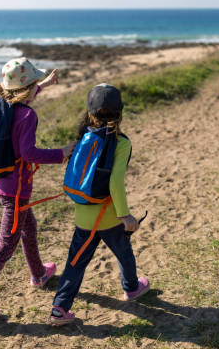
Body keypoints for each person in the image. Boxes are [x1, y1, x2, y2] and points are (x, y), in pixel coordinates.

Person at [0, 57, 76, 322]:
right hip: (16, 190)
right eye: (36, 84)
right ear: (30, 89)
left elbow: (23, 98)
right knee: (6, 243)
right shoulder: (27, 115)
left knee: (28, 227)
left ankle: (38, 273)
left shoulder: (3, 103)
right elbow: (28, 152)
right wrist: (62, 153)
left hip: (0, 183)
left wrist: (42, 84)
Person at [50, 83, 149, 325]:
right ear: (120, 112)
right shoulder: (121, 143)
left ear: (89, 112)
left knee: (75, 263)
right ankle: (132, 288)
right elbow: (115, 183)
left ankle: (59, 309)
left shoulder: (84, 136)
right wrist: (125, 215)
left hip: (83, 217)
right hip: (108, 217)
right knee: (124, 252)